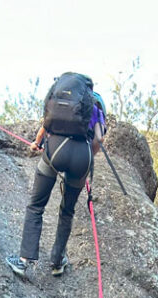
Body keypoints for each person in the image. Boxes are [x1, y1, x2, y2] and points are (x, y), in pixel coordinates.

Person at [6, 74, 105, 279]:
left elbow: (46, 125)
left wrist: (37, 143)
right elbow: (99, 138)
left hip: (55, 149)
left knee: (36, 205)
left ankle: (24, 261)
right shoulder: (94, 106)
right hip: (82, 155)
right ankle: (57, 261)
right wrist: (87, 161)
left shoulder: (59, 101)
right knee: (67, 211)